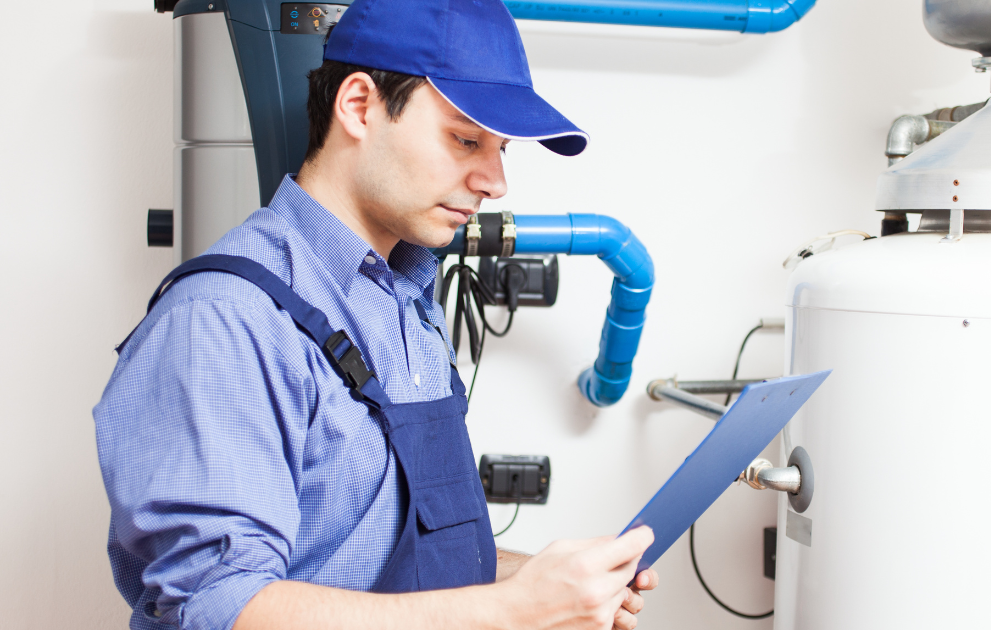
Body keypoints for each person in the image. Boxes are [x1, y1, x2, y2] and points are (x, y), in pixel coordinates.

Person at [93, 0, 658, 628]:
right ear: (359, 105)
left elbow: (378, 555)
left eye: (502, 150)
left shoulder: (409, 299)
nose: (495, 181)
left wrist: (543, 581)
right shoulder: (225, 320)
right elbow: (219, 606)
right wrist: (512, 610)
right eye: (466, 139)